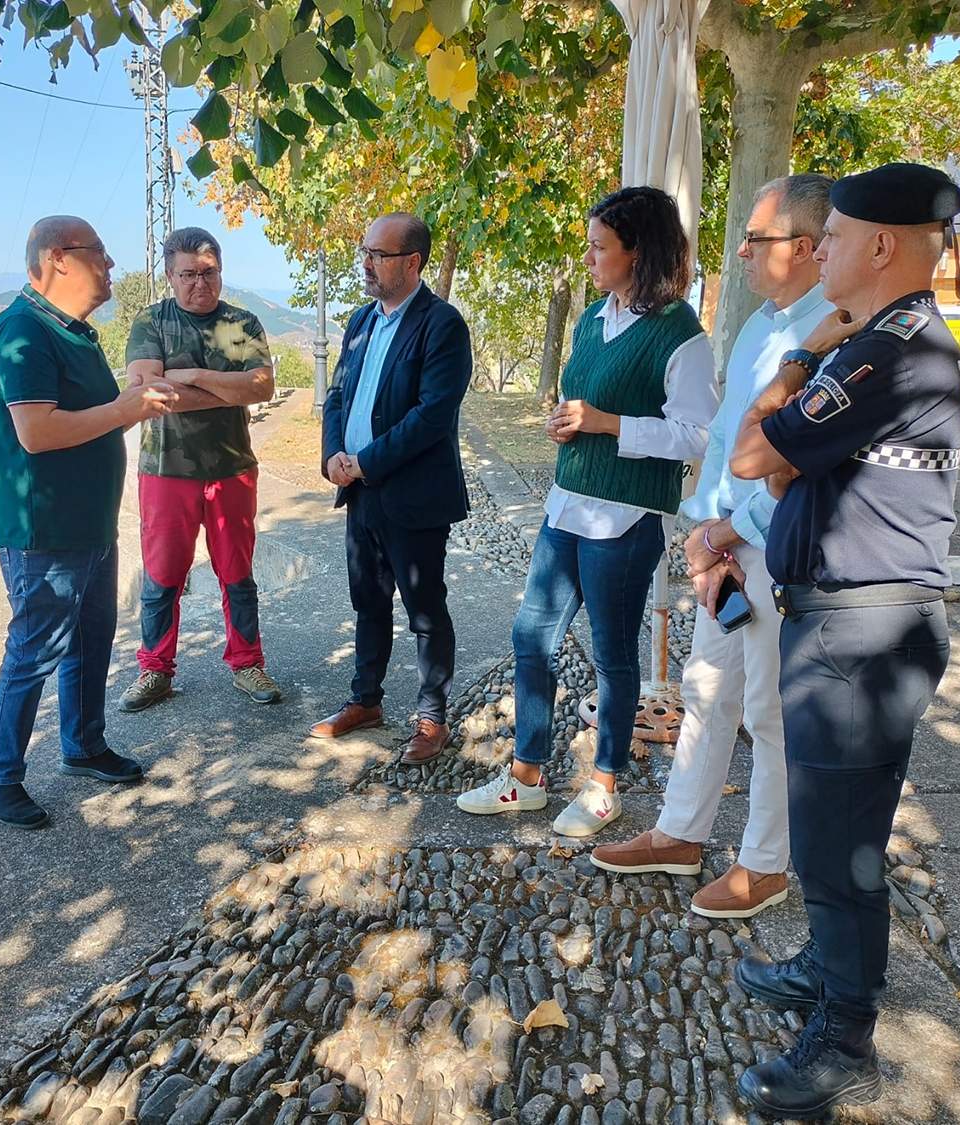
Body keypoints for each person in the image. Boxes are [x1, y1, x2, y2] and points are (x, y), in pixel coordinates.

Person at [727, 162, 960, 1117]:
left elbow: (757, 455)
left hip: (863, 631)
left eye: (833, 236)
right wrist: (793, 445)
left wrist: (799, 362)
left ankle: (844, 1034)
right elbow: (789, 476)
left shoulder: (889, 352)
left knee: (841, 843)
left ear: (879, 246)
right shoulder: (876, 346)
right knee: (827, 826)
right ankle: (830, 968)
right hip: (840, 616)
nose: (817, 248)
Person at [589, 175, 835, 919]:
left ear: (806, 246)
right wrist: (703, 531)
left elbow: (797, 459)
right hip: (728, 545)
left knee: (767, 711)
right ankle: (681, 831)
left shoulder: (831, 331)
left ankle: (765, 864)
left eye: (757, 239)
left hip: (777, 545)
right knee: (705, 693)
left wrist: (723, 533)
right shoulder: (765, 322)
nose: (743, 251)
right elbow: (731, 435)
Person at [456, 186, 717, 832]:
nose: (589, 257)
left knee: (613, 654)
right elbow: (585, 400)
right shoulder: (592, 319)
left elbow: (697, 435)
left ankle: (605, 783)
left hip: (625, 518)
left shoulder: (681, 333)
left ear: (639, 250)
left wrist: (604, 423)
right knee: (530, 637)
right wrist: (568, 423)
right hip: (567, 505)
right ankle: (527, 775)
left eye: (600, 246)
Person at [0, 215, 176, 829]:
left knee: (91, 641)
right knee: (35, 649)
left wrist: (129, 398)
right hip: (44, 529)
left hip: (89, 521)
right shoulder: (22, 331)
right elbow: (36, 432)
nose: (112, 266)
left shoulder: (76, 333)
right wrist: (125, 408)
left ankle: (84, 745)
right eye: (101, 254)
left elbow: (90, 413)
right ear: (60, 258)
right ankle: (2, 776)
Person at [310, 213, 472, 764]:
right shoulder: (360, 321)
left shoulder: (442, 325)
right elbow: (337, 395)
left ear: (412, 262)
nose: (366, 262)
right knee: (368, 601)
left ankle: (431, 718)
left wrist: (364, 462)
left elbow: (431, 417)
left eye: (377, 254)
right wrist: (333, 455)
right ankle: (366, 701)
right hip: (359, 492)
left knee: (425, 608)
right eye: (364, 251)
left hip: (413, 494)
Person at [117, 227, 281, 713]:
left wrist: (189, 376)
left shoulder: (238, 324)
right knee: (163, 575)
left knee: (237, 572)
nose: (199, 283)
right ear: (170, 275)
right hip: (167, 470)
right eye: (188, 274)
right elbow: (149, 392)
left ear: (220, 272)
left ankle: (247, 663)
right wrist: (224, 388)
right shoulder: (152, 322)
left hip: (232, 467)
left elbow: (260, 388)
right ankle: (154, 670)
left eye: (208, 273)